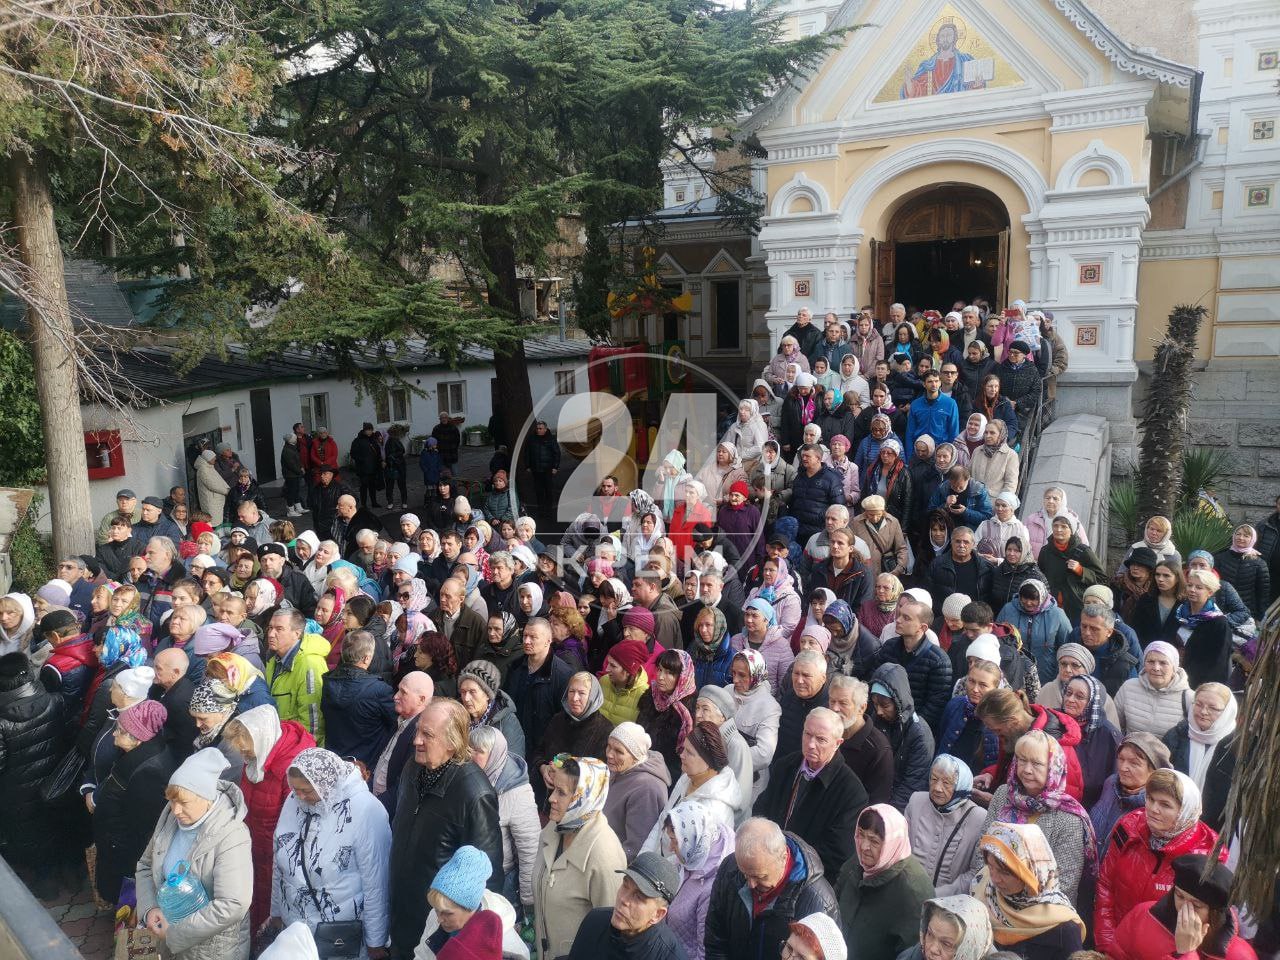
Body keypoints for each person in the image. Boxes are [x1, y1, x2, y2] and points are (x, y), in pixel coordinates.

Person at [388, 698, 502, 958]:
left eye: (427, 735)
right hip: (401, 912)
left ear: (452, 743)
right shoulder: (413, 768)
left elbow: (487, 873)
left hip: (438, 927)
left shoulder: (474, 793)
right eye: (417, 731)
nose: (416, 740)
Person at [267, 748, 391, 957]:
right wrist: (276, 911)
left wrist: (376, 941)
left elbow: (376, 883)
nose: (300, 796)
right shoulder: (294, 800)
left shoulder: (366, 811)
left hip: (339, 935)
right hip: (296, 927)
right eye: (295, 789)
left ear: (326, 785)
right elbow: (279, 860)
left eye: (307, 790)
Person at [135, 748, 253, 960]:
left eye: (184, 803)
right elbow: (145, 865)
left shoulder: (232, 834)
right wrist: (150, 909)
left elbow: (233, 904)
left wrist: (174, 933)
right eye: (171, 801)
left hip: (212, 951)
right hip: (170, 942)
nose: (176, 810)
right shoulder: (170, 818)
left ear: (206, 797)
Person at [1093, 769, 1223, 954]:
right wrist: (1107, 943)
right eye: (1151, 799)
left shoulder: (1208, 855)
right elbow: (1105, 884)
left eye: (1165, 805)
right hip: (1116, 943)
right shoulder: (1129, 827)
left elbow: (1205, 926)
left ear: (1185, 811)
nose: (1153, 809)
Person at [221, 704, 315, 937]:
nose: (244, 757)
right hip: (253, 847)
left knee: (269, 911)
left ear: (262, 740)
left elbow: (295, 826)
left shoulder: (291, 770)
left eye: (246, 752)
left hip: (275, 857)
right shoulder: (256, 757)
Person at [971, 731, 1095, 904]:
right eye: (1022, 760)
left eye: (1037, 763)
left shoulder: (1069, 818)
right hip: (989, 898)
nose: (1027, 770)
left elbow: (1064, 884)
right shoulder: (1003, 795)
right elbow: (982, 849)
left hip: (1040, 912)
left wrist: (1014, 905)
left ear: (1053, 768)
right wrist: (992, 893)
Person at [754, 707, 867, 878]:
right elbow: (762, 810)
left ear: (837, 744)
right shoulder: (785, 766)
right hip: (766, 863)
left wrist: (785, 862)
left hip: (807, 877)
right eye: (807, 734)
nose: (811, 744)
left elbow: (837, 853)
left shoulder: (852, 792)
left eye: (821, 739)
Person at [704, 818, 839, 960]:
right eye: (744, 874)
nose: (751, 884)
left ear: (783, 857)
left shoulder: (818, 902)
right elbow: (715, 937)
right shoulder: (731, 867)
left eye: (760, 876)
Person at [534, 754, 627, 960]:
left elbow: (612, 934)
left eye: (562, 793)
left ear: (584, 798)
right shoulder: (554, 828)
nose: (551, 799)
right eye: (553, 789)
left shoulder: (605, 855)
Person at [833, 804, 935, 960]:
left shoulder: (914, 892)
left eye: (874, 841)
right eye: (861, 835)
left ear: (892, 843)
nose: (864, 846)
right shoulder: (858, 863)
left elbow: (912, 953)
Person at [972, 823, 1086, 960]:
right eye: (990, 867)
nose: (995, 879)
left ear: (1031, 873)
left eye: (1005, 873)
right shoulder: (982, 887)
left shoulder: (1063, 927)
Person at [1111, 854, 1255, 960]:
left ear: (1215, 913)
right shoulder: (1143, 915)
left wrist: (1187, 952)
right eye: (1179, 896)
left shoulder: (1239, 955)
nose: (1183, 908)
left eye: (1196, 905)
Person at [569, 851, 690, 960]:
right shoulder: (594, 922)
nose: (623, 900)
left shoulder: (670, 956)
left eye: (638, 897)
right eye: (625, 886)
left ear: (658, 914)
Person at [905, 755, 984, 896]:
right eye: (934, 779)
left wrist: (934, 895)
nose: (937, 788)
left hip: (948, 904)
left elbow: (975, 872)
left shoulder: (978, 818)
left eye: (947, 783)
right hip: (906, 893)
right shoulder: (916, 801)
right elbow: (901, 850)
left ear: (962, 785)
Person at [870, 596, 952, 730]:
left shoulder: (939, 661)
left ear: (923, 627)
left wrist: (910, 727)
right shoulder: (889, 647)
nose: (898, 620)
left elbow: (935, 705)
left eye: (906, 618)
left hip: (913, 728)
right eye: (900, 615)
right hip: (882, 719)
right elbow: (874, 679)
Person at [662, 807, 734, 960]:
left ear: (692, 839)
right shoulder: (686, 861)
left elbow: (705, 953)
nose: (670, 848)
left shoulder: (711, 888)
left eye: (674, 841)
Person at [321, 629, 397, 768]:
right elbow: (394, 723)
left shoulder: (327, 682)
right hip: (365, 765)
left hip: (335, 760)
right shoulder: (379, 690)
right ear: (367, 658)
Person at [868, 663, 935, 810]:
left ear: (899, 701)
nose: (878, 711)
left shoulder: (920, 735)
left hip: (896, 807)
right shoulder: (875, 720)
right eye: (875, 704)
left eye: (885, 706)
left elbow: (912, 784)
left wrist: (884, 813)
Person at [602, 723, 672, 860]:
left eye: (618, 751)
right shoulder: (621, 769)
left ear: (635, 756)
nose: (610, 754)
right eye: (609, 746)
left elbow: (635, 848)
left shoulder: (647, 789)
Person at [264, 609, 330, 743]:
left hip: (295, 749)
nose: (271, 634)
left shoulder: (310, 665)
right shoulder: (273, 659)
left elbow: (313, 724)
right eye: (270, 628)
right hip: (277, 741)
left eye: (279, 629)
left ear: (297, 633)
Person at [826, 675, 894, 805]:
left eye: (843, 703)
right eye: (832, 701)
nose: (835, 708)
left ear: (862, 708)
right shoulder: (825, 732)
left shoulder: (879, 750)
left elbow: (876, 803)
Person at [1161, 681, 1236, 796]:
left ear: (1227, 712)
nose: (1203, 712)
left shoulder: (1236, 745)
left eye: (1213, 708)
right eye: (1199, 704)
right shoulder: (1176, 736)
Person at [1059, 674, 1122, 808]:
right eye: (1068, 693)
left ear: (1093, 701)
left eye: (1079, 696)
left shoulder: (1109, 735)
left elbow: (1113, 784)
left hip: (1089, 806)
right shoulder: (1052, 721)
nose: (1070, 699)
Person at [1036, 514, 1105, 624]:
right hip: (1048, 606)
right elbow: (1039, 576)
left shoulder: (1083, 551)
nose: (1059, 530)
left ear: (1071, 530)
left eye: (1064, 526)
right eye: (1055, 525)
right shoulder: (1045, 551)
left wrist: (1081, 570)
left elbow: (1102, 579)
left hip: (1075, 608)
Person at [1114, 642, 1193, 737]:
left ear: (1174, 667)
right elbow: (1114, 725)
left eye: (1163, 663)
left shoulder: (1189, 697)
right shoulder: (1129, 687)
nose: (1156, 668)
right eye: (1151, 661)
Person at [1176, 569, 1234, 688]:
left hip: (1200, 684)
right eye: (1190, 585)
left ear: (1210, 592)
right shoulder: (1178, 613)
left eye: (1199, 587)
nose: (1192, 590)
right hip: (1173, 677)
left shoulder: (1218, 622)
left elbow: (1219, 662)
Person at [896, 897, 994, 960]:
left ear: (967, 950)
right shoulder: (909, 957)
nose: (933, 949)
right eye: (930, 934)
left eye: (946, 944)